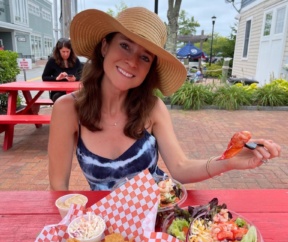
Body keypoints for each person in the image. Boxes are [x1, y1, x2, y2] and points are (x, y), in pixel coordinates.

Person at [48, 7, 281, 191]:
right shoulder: (68, 110)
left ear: (150, 69)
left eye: (145, 57)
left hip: (158, 221)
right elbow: (59, 189)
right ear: (105, 46)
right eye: (125, 45)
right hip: (103, 229)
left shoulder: (152, 107)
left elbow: (180, 167)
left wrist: (229, 160)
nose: (132, 61)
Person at [42, 37, 82, 102]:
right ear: (58, 51)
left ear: (71, 51)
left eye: (67, 51)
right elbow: (44, 77)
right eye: (63, 52)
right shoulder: (52, 61)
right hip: (58, 92)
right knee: (60, 98)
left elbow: (83, 76)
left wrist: (75, 79)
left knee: (82, 98)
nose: (65, 54)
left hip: (74, 91)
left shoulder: (75, 60)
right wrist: (56, 78)